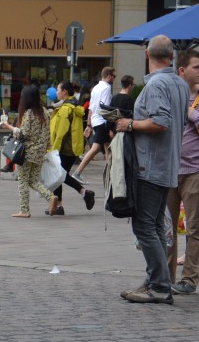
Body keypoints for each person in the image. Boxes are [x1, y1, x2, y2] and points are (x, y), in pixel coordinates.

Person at [114, 35, 194, 304]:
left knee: (145, 226)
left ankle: (159, 285)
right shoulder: (180, 85)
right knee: (156, 225)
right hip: (168, 163)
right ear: (171, 57)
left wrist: (129, 124)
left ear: (147, 54)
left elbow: (160, 122)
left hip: (151, 164)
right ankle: (156, 280)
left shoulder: (157, 84)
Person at [166, 52, 199, 294]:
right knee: (166, 228)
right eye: (196, 67)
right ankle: (164, 278)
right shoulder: (172, 96)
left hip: (194, 171)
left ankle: (189, 280)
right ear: (182, 71)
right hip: (168, 170)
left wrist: (192, 114)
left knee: (194, 228)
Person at [0, 84, 58, 218]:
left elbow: (23, 134)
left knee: (23, 181)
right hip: (40, 152)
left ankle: (24, 210)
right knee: (33, 180)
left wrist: (8, 126)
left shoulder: (29, 113)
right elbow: (48, 133)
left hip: (26, 153)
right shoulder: (45, 112)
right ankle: (50, 197)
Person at [47, 81, 96, 214]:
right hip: (74, 147)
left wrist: (53, 150)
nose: (56, 92)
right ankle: (59, 206)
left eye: (58, 89)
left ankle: (84, 192)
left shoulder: (65, 109)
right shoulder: (76, 105)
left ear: (65, 92)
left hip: (64, 148)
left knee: (60, 175)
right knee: (60, 175)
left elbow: (60, 133)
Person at [73, 66, 116, 179]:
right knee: (96, 148)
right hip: (103, 121)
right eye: (113, 76)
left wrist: (89, 125)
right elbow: (105, 107)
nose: (114, 79)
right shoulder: (106, 88)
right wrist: (110, 124)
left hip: (96, 121)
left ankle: (110, 173)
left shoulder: (96, 88)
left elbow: (91, 108)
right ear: (108, 75)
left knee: (107, 147)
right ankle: (77, 172)